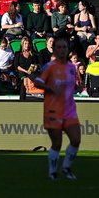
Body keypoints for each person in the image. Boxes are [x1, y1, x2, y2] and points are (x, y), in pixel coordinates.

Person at [33, 36, 82, 181]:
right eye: (59, 47)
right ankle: (52, 171)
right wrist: (50, 88)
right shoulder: (49, 67)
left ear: (68, 50)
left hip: (69, 109)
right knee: (57, 143)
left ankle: (66, 167)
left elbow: (74, 85)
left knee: (76, 139)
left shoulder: (72, 68)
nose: (62, 50)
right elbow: (38, 81)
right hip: (53, 110)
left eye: (64, 47)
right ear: (54, 50)